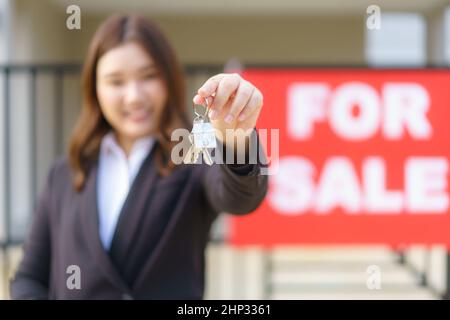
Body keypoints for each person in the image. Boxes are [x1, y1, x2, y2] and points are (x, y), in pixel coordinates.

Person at [10, 14, 267, 299]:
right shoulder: (65, 173)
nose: (133, 96)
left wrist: (236, 138)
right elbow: (30, 278)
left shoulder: (193, 158)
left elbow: (241, 198)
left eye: (149, 76)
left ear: (169, 80)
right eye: (115, 81)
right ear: (95, 89)